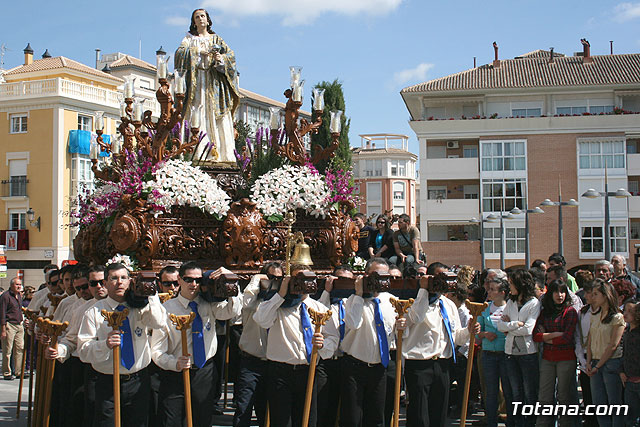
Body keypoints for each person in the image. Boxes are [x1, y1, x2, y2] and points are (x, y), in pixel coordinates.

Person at [151, 262, 240, 427]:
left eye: (198, 280)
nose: (193, 284)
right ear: (179, 279)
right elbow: (156, 350)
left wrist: (231, 281)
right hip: (175, 374)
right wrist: (174, 363)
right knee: (172, 420)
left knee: (202, 419)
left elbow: (232, 311)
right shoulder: (166, 309)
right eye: (188, 279)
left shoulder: (210, 305)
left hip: (204, 371)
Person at [78, 263, 166, 427]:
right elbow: (83, 350)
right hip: (108, 382)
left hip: (138, 379)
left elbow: (159, 322)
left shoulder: (141, 307)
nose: (119, 282)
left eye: (124, 278)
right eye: (114, 278)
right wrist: (105, 345)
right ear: (105, 283)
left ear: (130, 281)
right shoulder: (94, 312)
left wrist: (150, 294)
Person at [253, 266, 338, 427]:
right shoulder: (277, 306)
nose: (304, 285)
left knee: (307, 420)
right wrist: (280, 294)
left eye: (308, 280)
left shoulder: (319, 309)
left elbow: (332, 338)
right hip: (281, 372)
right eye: (299, 280)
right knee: (281, 421)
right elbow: (261, 319)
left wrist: (323, 344)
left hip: (308, 370)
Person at [398, 270, 479, 427]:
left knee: (439, 412)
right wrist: (423, 289)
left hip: (442, 363)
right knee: (419, 413)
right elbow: (417, 317)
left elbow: (456, 337)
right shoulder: (413, 302)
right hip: (419, 363)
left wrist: (469, 330)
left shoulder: (448, 304)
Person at [175, 8, 240, 163]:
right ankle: (198, 153)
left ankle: (223, 155)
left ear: (208, 20)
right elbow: (179, 54)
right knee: (197, 112)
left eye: (202, 16)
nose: (200, 19)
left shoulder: (216, 39)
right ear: (194, 21)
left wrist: (220, 58)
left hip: (214, 83)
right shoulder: (189, 39)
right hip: (197, 83)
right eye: (197, 17)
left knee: (218, 115)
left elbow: (231, 57)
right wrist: (197, 52)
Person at [338, 257, 396, 427]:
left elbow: (398, 333)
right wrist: (358, 294)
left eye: (385, 276)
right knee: (352, 418)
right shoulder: (352, 300)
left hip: (379, 367)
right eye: (376, 275)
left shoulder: (390, 301)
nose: (380, 280)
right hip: (354, 367)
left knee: (376, 417)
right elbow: (353, 323)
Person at [233, 261, 283, 427]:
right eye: (270, 277)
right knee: (243, 407)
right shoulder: (253, 303)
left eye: (278, 278)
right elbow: (245, 302)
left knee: (267, 411)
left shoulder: (280, 303)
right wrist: (256, 280)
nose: (273, 281)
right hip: (251, 362)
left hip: (273, 364)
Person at [496, 269, 541, 427]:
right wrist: (514, 324)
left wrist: (509, 327)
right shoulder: (511, 302)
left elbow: (528, 329)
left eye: (511, 283)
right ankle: (518, 422)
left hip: (527, 354)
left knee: (530, 392)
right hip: (510, 353)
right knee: (516, 392)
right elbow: (500, 326)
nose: (510, 286)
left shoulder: (534, 303)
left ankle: (531, 422)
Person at [533, 279, 579, 427]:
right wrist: (554, 335)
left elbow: (567, 338)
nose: (560, 295)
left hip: (566, 358)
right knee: (545, 396)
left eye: (563, 291)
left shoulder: (570, 312)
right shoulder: (545, 312)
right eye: (556, 292)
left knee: (564, 396)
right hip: (548, 358)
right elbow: (536, 336)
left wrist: (546, 336)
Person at [317, 265, 353, 427]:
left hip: (347, 360)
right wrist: (327, 290)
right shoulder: (325, 301)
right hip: (327, 359)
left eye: (348, 281)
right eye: (340, 280)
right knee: (324, 405)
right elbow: (318, 314)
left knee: (347, 407)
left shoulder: (352, 303)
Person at [586, 279, 625, 427]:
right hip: (595, 362)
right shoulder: (594, 315)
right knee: (599, 404)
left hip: (610, 363)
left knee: (614, 403)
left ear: (606, 295)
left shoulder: (617, 317)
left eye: (596, 294)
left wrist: (598, 365)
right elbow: (589, 340)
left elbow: (613, 345)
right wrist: (589, 362)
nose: (593, 297)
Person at [477, 277, 513, 427]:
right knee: (490, 391)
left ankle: (511, 421)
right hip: (488, 354)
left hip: (506, 354)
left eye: (492, 289)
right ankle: (491, 420)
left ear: (502, 292)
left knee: (508, 390)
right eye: (489, 289)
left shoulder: (511, 308)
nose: (489, 292)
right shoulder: (484, 308)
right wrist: (485, 334)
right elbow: (477, 330)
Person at [575, 279, 598, 427]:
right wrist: (582, 360)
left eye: (591, 293)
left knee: (601, 400)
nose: (587, 295)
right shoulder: (583, 312)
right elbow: (577, 336)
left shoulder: (606, 313)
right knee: (589, 398)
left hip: (599, 360)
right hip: (584, 361)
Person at [620, 301, 640, 427]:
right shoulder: (627, 332)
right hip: (629, 380)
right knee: (630, 417)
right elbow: (625, 353)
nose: (625, 313)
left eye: (629, 311)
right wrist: (621, 371)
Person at [0, 277, 24, 380]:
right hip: (9, 325)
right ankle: (7, 372)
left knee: (20, 349)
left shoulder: (19, 295)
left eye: (20, 284)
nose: (19, 286)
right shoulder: (5, 296)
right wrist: (3, 329)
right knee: (7, 350)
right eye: (16, 284)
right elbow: (2, 313)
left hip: (19, 324)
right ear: (11, 285)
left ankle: (18, 371)